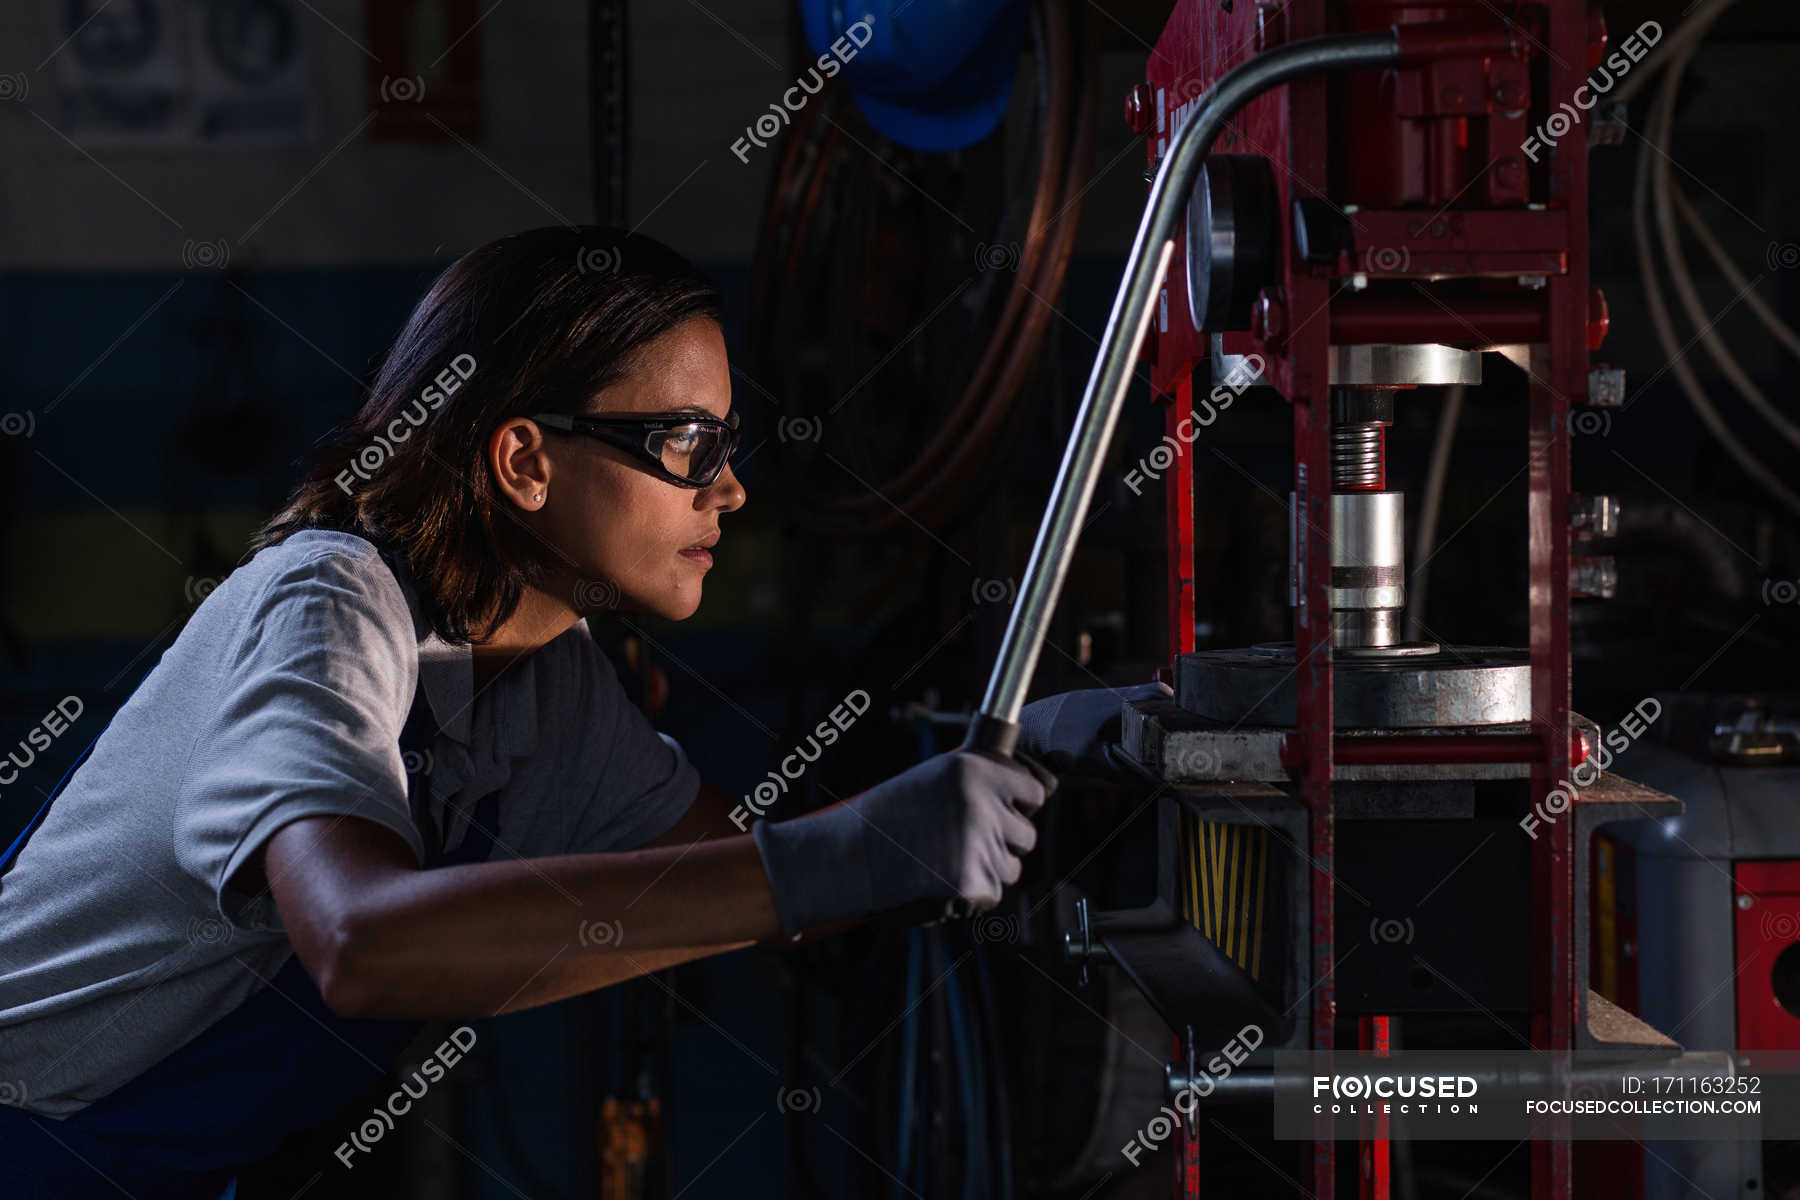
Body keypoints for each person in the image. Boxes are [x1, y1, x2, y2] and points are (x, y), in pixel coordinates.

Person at [0, 225, 1146, 1199]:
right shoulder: (331, 600)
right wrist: (850, 853)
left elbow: (750, 887)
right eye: (686, 445)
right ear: (525, 461)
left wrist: (1026, 767)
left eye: (728, 446)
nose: (731, 490)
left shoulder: (550, 678)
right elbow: (361, 943)